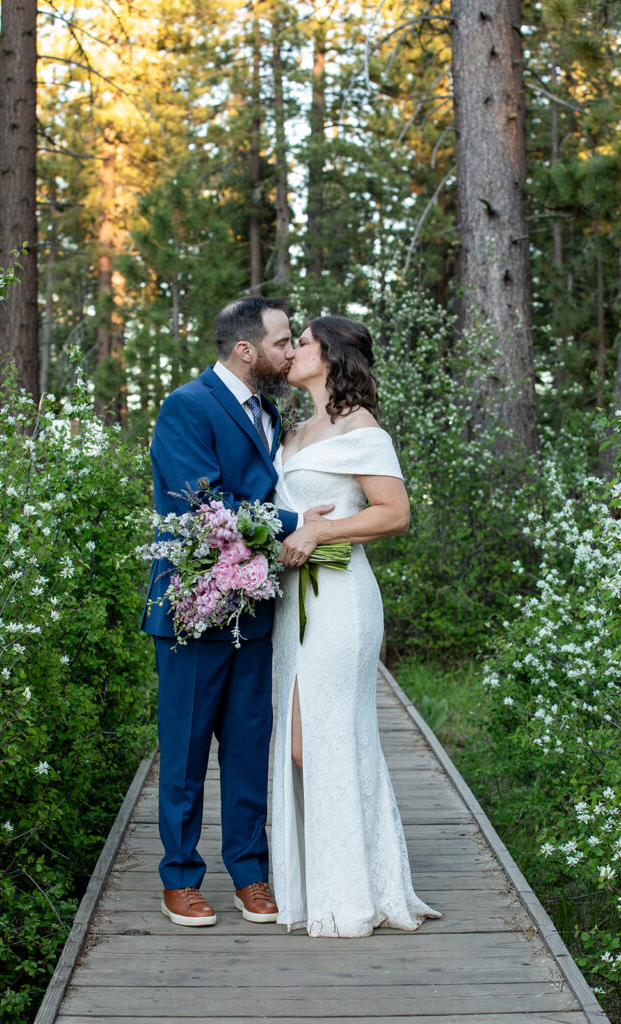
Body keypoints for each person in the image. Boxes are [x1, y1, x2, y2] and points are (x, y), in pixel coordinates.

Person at [141, 296, 333, 927]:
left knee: (250, 747)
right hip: (194, 608)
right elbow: (200, 504)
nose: (290, 351)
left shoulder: (270, 413)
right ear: (246, 350)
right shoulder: (186, 407)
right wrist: (295, 523)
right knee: (186, 747)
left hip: (255, 607)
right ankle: (180, 878)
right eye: (282, 341)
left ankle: (250, 873)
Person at [271, 315, 441, 938]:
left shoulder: (360, 427)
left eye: (304, 343)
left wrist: (320, 531)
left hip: (339, 597)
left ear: (333, 355)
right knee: (303, 739)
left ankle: (357, 887)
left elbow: (393, 513)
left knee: (321, 736)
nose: (292, 351)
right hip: (292, 602)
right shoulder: (292, 430)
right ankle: (331, 882)